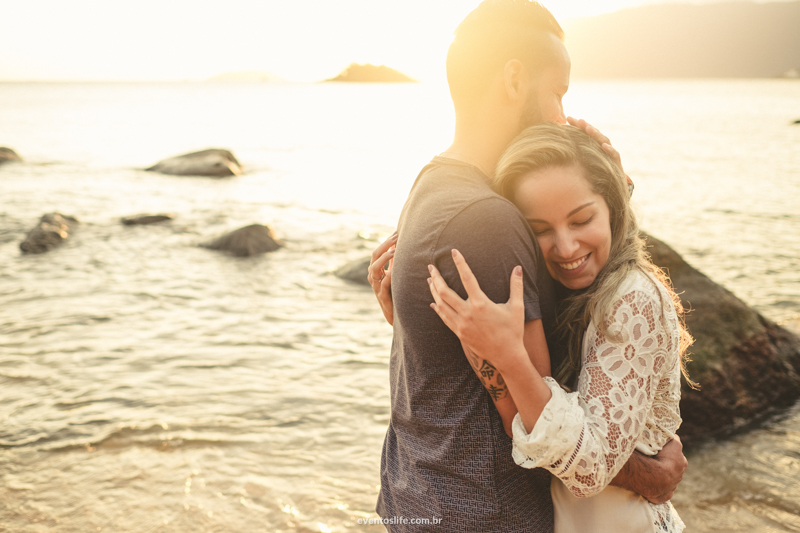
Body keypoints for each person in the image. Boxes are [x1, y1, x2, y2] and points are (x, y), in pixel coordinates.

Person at [367, 1, 687, 531]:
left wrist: (611, 188)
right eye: (558, 92)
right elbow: (538, 415)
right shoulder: (487, 220)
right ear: (514, 79)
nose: (563, 115)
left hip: (423, 498)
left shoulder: (433, 185)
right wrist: (651, 477)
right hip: (484, 514)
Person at [425, 123, 693, 532]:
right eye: (539, 230)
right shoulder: (576, 293)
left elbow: (591, 468)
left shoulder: (633, 297)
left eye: (581, 219)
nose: (565, 248)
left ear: (613, 207)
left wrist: (509, 357)